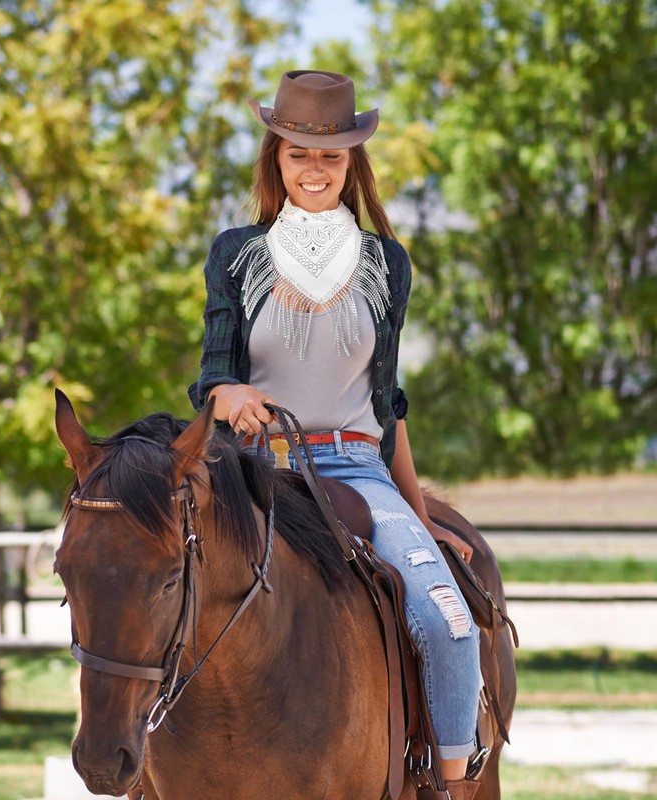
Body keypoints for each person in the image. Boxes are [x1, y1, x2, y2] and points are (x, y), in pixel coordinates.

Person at [189, 70, 482, 800]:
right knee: (153, 595)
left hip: (356, 473)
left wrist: (417, 519)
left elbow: (390, 408)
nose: (314, 170)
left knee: (451, 626)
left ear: (352, 163)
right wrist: (232, 396)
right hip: (253, 472)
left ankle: (445, 787)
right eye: (298, 155)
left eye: (330, 157)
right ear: (275, 159)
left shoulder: (387, 264)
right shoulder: (235, 254)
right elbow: (211, 380)